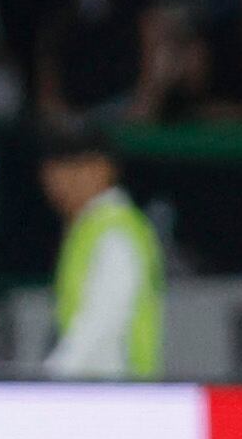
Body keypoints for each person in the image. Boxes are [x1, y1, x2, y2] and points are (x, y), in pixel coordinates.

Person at [39, 125, 163, 378]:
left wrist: (52, 383)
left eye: (75, 167)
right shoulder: (87, 228)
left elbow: (102, 322)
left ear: (105, 168)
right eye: (55, 169)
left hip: (117, 392)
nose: (61, 180)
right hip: (99, 391)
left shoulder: (115, 231)